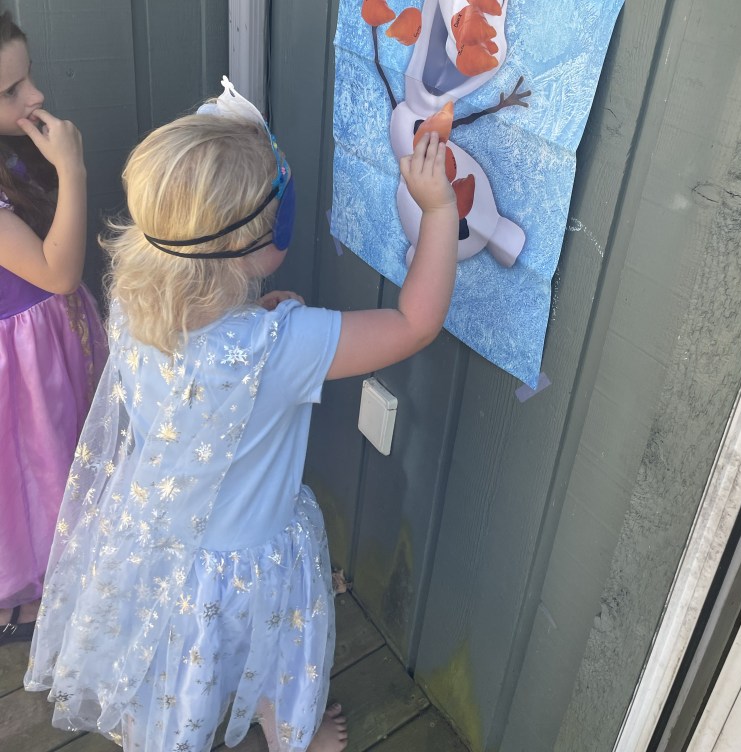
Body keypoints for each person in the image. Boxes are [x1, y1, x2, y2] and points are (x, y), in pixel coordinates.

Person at [24, 78, 458, 752]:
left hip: (155, 536)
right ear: (264, 238)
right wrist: (438, 210)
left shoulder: (137, 297)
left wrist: (253, 316)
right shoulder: (282, 347)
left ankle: (162, 730)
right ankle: (287, 727)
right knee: (273, 638)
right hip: (250, 557)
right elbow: (414, 322)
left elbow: (203, 367)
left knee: (178, 660)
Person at [0, 11, 107, 646]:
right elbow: (59, 272)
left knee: (63, 456)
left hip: (49, 342)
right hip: (20, 364)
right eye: (10, 91)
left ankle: (63, 569)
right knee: (33, 469)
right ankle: (26, 596)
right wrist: (73, 170)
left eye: (28, 76)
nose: (35, 96)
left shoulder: (10, 153)